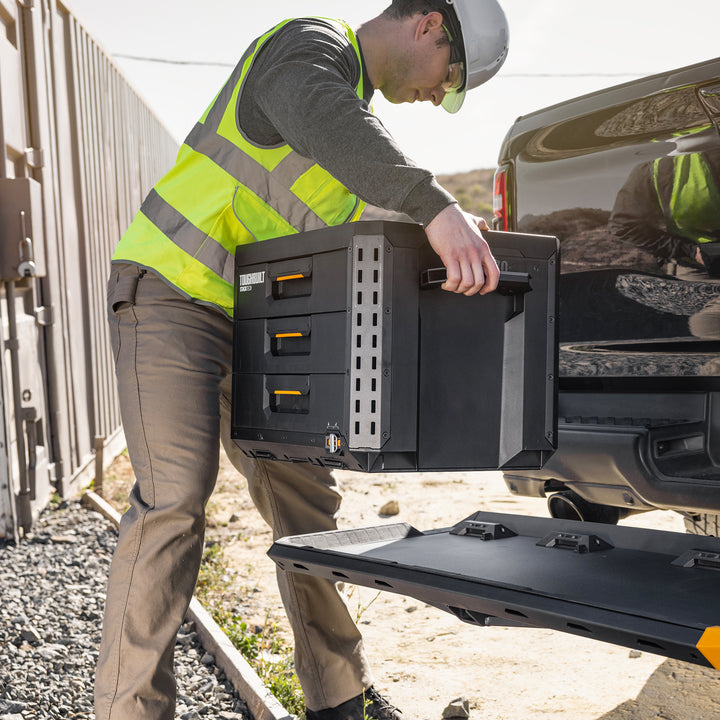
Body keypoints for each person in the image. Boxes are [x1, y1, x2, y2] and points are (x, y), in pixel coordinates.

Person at [95, 1, 509, 719]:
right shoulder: (306, 49)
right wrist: (435, 203)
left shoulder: (355, 152)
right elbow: (322, 113)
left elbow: (356, 215)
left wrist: (463, 238)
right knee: (172, 506)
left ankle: (338, 699)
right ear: (429, 25)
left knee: (309, 510)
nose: (441, 96)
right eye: (453, 76)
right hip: (173, 297)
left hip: (261, 325)